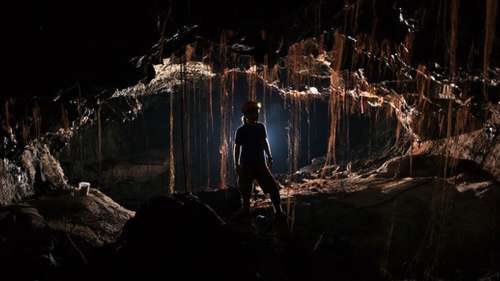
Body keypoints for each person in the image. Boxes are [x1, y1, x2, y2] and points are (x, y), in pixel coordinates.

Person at [233, 100, 285, 220]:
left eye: (256, 112)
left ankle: (278, 212)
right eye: (253, 112)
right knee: (246, 191)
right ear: (246, 115)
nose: (256, 114)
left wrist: (269, 155)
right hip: (246, 165)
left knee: (272, 189)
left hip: (260, 164)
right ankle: (246, 212)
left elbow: (264, 142)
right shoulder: (241, 131)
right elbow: (237, 147)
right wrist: (236, 164)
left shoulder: (260, 127)